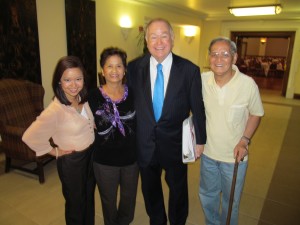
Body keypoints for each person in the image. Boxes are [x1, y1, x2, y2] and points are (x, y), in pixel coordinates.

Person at [127, 18, 207, 225]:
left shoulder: (189, 70)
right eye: (153, 36)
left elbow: (198, 108)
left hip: (176, 144)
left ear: (172, 39)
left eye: (164, 36)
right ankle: (157, 220)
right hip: (145, 143)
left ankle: (178, 221)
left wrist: (200, 141)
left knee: (178, 189)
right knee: (150, 189)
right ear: (146, 40)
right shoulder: (134, 68)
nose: (159, 42)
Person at [22, 56, 95, 225]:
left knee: (88, 197)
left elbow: (88, 123)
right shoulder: (55, 110)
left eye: (78, 79)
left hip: (90, 156)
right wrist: (55, 151)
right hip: (73, 162)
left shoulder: (82, 99)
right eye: (67, 80)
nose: (74, 84)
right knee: (75, 205)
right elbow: (29, 136)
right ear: (59, 82)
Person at [199, 37, 264, 225]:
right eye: (214, 54)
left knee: (231, 201)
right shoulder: (201, 80)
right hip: (208, 154)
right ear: (209, 57)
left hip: (235, 157)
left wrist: (245, 140)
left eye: (225, 54)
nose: (219, 59)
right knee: (208, 196)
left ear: (234, 58)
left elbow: (256, 113)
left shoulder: (247, 84)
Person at [88, 47, 139, 225]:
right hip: (104, 161)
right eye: (110, 66)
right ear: (103, 71)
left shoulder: (133, 93)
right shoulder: (92, 96)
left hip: (131, 159)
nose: (114, 71)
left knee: (129, 199)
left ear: (124, 70)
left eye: (119, 66)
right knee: (108, 201)